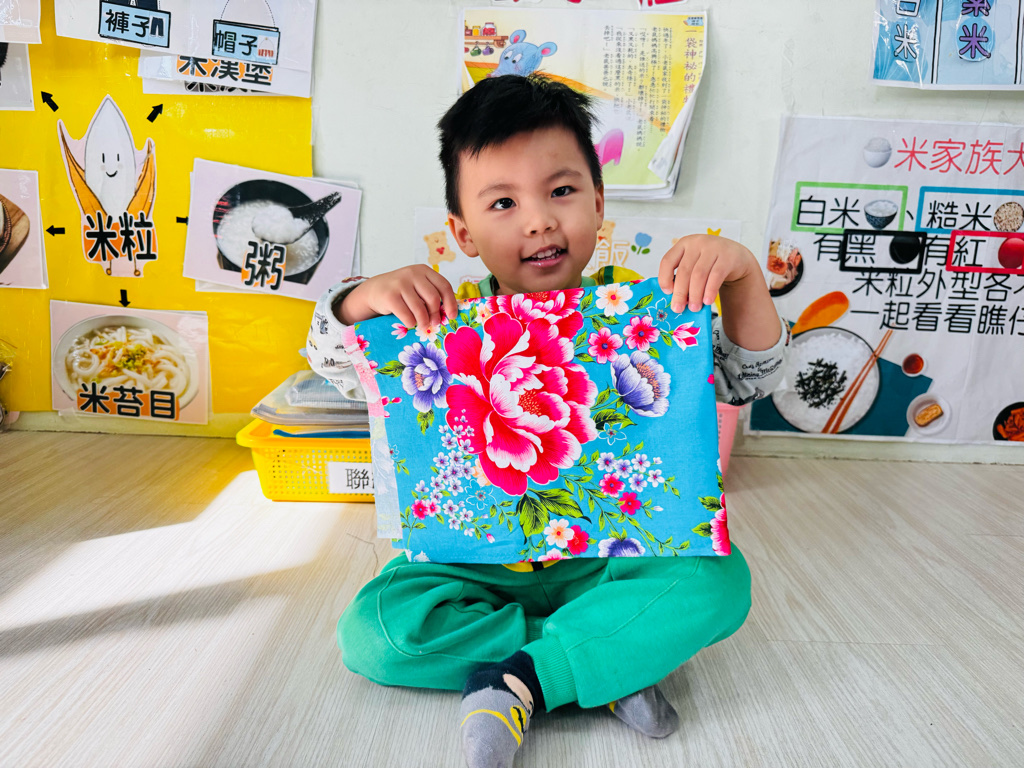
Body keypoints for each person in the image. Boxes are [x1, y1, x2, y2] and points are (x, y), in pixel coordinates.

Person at [307, 75, 789, 768]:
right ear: (462, 232)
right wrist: (357, 302)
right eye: (503, 203)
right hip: (476, 568)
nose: (537, 220)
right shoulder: (438, 317)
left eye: (561, 191)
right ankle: (599, 657)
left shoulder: (649, 311)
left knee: (719, 585)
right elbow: (333, 363)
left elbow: (752, 378)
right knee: (374, 634)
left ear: (599, 203)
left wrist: (742, 279)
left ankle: (527, 678)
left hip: (615, 559)